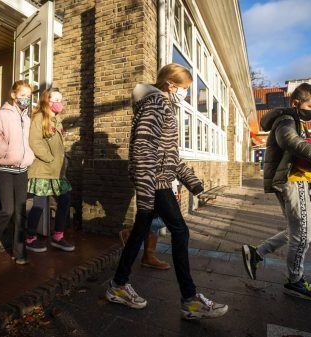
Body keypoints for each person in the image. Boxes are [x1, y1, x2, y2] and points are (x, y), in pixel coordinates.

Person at [105, 64, 228, 320]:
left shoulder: (161, 104)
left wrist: (191, 182)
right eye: (184, 89)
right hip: (156, 183)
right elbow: (143, 148)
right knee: (180, 231)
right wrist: (148, 192)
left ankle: (117, 285)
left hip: (158, 180)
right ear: (171, 85)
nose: (186, 94)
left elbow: (168, 155)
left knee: (140, 231)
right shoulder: (157, 104)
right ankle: (190, 300)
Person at [241, 83, 311, 302]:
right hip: (295, 181)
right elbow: (288, 141)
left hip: (297, 181)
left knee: (297, 231)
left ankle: (256, 253)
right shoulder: (287, 120)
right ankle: (295, 281)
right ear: (296, 103)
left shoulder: (295, 120)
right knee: (302, 235)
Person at [0, 81, 35, 265]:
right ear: (13, 95)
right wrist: (5, 150)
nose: (25, 99)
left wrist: (29, 156)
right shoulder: (1, 115)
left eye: (29, 96)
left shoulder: (28, 118)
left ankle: (19, 253)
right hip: (5, 168)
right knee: (8, 209)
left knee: (21, 212)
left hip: (22, 169)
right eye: (22, 95)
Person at [25, 88, 75, 253]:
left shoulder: (57, 120)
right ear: (47, 100)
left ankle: (57, 236)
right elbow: (35, 141)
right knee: (39, 204)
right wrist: (50, 158)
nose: (58, 103)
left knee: (65, 199)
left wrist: (63, 159)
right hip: (44, 170)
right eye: (55, 99)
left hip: (58, 172)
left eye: (60, 99)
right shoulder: (40, 117)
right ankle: (30, 238)